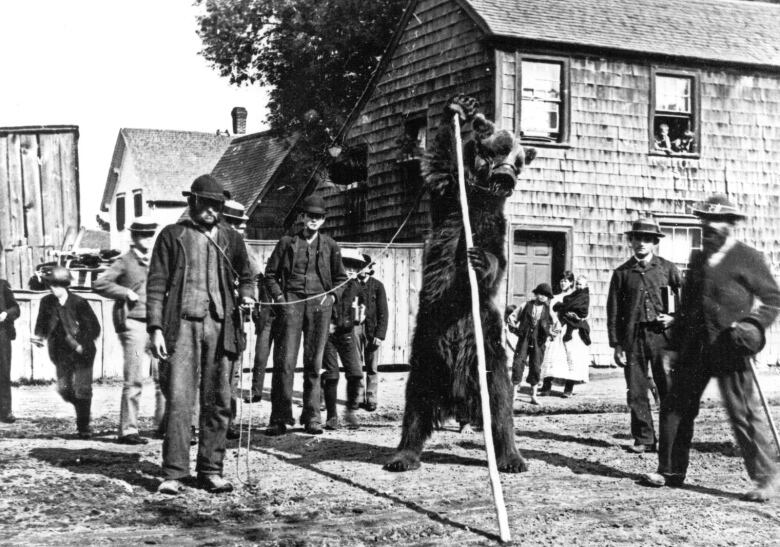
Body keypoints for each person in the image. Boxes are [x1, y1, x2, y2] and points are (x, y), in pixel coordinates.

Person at [642, 195, 780, 501]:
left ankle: (765, 478)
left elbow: (773, 299)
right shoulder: (698, 257)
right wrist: (673, 343)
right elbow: (689, 304)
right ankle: (670, 471)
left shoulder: (749, 258)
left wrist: (753, 325)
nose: (708, 226)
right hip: (694, 348)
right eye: (704, 219)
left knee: (742, 412)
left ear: (730, 225)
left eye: (716, 220)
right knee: (676, 408)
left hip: (731, 347)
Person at [147, 174, 255, 495]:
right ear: (192, 202)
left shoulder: (231, 239)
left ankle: (210, 470)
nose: (211, 211)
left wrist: (247, 294)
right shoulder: (172, 235)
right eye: (205, 204)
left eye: (216, 206)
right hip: (181, 327)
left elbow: (247, 276)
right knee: (180, 400)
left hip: (222, 327)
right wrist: (155, 328)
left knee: (219, 399)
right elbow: (155, 285)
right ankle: (174, 473)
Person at [263, 194, 348, 436]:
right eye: (310, 216)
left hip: (319, 308)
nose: (314, 220)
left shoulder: (330, 246)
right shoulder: (287, 242)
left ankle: (312, 417)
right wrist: (281, 299)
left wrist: (332, 297)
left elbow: (341, 279)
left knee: (314, 364)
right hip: (291, 305)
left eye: (319, 217)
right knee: (285, 363)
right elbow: (270, 275)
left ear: (323, 220)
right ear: (302, 217)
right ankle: (279, 418)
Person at [607, 218, 682, 453]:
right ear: (631, 241)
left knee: (667, 388)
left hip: (663, 337)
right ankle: (644, 439)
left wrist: (674, 318)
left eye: (647, 239)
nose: (641, 243)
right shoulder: (622, 273)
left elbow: (688, 302)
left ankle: (672, 439)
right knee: (637, 390)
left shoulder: (668, 269)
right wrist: (617, 345)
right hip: (633, 338)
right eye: (637, 238)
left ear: (654, 243)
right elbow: (614, 311)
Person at [93, 217, 160, 445]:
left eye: (151, 234)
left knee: (165, 378)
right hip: (133, 324)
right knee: (134, 378)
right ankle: (128, 430)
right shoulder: (124, 261)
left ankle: (163, 425)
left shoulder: (159, 260)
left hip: (158, 324)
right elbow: (100, 283)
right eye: (143, 235)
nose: (148, 240)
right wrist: (124, 292)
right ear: (134, 237)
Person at [32, 266, 101, 438]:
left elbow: (94, 328)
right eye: (51, 285)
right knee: (64, 389)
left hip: (82, 351)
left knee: (82, 388)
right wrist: (39, 337)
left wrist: (80, 345)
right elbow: (41, 324)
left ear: (65, 285)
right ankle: (82, 407)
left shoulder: (79, 302)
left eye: (57, 286)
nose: (53, 289)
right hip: (60, 352)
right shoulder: (46, 302)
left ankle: (83, 427)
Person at [321, 248, 365, 429]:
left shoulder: (357, 287)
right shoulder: (328, 286)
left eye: (354, 268)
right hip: (328, 335)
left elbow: (362, 308)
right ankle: (332, 416)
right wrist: (326, 324)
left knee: (355, 373)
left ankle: (350, 411)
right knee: (332, 375)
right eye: (347, 266)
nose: (350, 271)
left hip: (346, 334)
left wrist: (361, 316)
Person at [221, 199, 253, 441]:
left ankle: (228, 423)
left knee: (232, 372)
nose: (235, 228)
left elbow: (251, 276)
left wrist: (247, 296)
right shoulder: (206, 241)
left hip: (234, 318)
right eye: (231, 222)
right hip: (211, 316)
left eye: (238, 224)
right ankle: (192, 425)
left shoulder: (241, 246)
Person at [539, 273, 590, 398]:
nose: (563, 283)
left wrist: (578, 317)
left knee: (571, 357)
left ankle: (568, 389)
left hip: (571, 329)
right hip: (557, 327)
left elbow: (585, 313)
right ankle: (546, 387)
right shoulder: (556, 297)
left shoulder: (577, 296)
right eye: (562, 281)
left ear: (571, 283)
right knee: (552, 355)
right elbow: (550, 312)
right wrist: (555, 324)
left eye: (566, 281)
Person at [509, 283, 553, 405]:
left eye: (545, 295)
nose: (542, 297)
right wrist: (517, 331)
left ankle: (533, 395)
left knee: (536, 366)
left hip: (539, 342)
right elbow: (512, 318)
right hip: (524, 340)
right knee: (518, 363)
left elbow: (556, 325)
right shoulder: (526, 305)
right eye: (540, 293)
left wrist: (550, 335)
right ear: (536, 294)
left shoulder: (548, 310)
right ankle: (514, 394)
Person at [354, 253, 388, 411]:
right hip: (355, 329)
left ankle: (371, 398)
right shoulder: (351, 284)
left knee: (372, 366)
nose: (361, 270)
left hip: (372, 330)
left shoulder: (377, 286)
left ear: (370, 268)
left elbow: (383, 312)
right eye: (358, 267)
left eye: (364, 266)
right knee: (356, 364)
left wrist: (380, 335)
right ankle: (358, 397)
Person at [0, 277, 20, 423]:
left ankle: (5, 411)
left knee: (3, 373)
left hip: (1, 334)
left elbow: (15, 308)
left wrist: (6, 313)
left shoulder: (2, 284)